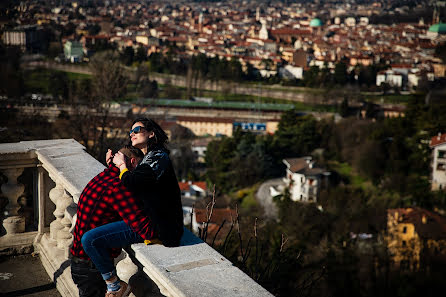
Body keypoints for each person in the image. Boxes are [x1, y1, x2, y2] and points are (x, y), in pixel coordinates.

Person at [82, 117, 184, 297]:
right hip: (151, 220)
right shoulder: (148, 157)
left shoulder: (159, 156)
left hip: (158, 227)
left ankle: (114, 286)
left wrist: (122, 165)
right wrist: (115, 166)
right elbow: (132, 183)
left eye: (137, 130)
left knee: (90, 239)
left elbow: (133, 182)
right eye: (131, 132)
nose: (132, 134)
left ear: (151, 133)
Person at [70, 146, 155, 297]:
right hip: (92, 267)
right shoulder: (118, 186)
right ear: (133, 162)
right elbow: (143, 227)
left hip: (82, 263)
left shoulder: (104, 176)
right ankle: (115, 285)